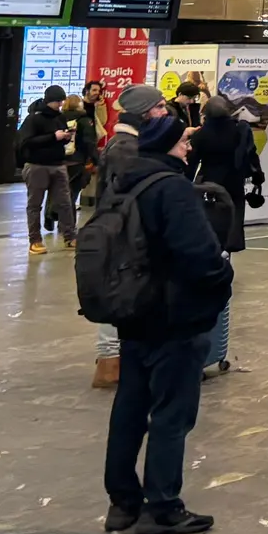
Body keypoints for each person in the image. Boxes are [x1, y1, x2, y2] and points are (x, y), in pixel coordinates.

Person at [99, 112, 233, 534]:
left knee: (130, 409)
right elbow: (198, 254)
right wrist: (221, 281)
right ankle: (163, 506)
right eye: (182, 142)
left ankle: (122, 502)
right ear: (167, 146)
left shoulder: (126, 182)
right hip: (174, 316)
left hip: (133, 312)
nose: (188, 147)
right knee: (172, 414)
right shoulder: (172, 188)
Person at [92, 84, 167, 390]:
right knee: (119, 294)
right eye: (160, 107)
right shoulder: (125, 148)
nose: (164, 112)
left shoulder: (127, 144)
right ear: (144, 112)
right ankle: (110, 362)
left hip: (123, 233)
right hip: (121, 235)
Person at [190, 96, 261, 377]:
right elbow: (250, 154)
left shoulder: (202, 135)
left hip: (209, 185)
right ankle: (226, 258)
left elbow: (192, 162)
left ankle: (213, 255)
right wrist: (256, 178)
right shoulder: (240, 130)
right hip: (234, 185)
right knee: (232, 225)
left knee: (210, 224)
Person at [17, 83, 76, 254]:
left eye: (62, 101)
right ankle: (34, 240)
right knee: (35, 204)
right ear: (48, 100)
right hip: (37, 166)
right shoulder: (34, 118)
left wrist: (66, 137)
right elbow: (26, 142)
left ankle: (70, 236)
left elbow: (59, 140)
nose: (60, 104)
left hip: (58, 164)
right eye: (57, 101)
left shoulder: (60, 117)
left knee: (65, 203)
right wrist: (53, 137)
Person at [62, 92, 99, 221]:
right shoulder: (84, 120)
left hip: (60, 161)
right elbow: (89, 142)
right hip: (77, 161)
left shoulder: (59, 118)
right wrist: (96, 159)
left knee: (61, 192)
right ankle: (69, 224)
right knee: (72, 193)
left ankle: (55, 219)